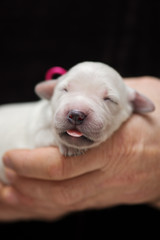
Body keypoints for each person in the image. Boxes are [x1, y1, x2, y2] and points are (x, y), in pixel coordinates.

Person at [0, 76, 160, 221]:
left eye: (108, 99)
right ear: (51, 92)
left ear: (133, 103)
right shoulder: (40, 118)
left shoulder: (129, 97)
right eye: (65, 90)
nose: (77, 113)